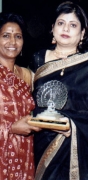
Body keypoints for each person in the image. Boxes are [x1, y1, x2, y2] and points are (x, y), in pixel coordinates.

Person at [29, 1, 88, 180]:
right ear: (52, 28)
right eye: (61, 23)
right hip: (40, 142)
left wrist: (71, 126)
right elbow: (29, 103)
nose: (65, 28)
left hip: (74, 149)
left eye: (73, 25)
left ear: (82, 33)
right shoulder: (38, 59)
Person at [0, 13, 41, 180]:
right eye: (5, 36)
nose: (12, 42)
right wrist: (11, 128)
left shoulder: (28, 76)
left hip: (24, 155)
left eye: (18, 36)